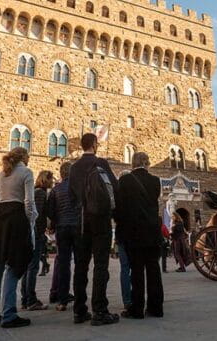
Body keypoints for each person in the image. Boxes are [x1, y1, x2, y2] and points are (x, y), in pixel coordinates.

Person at [69, 133, 120, 326]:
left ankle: (79, 310)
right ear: (94, 144)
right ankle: (99, 310)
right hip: (100, 219)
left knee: (81, 266)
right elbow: (114, 188)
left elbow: (71, 196)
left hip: (81, 221)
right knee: (100, 264)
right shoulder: (101, 163)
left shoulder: (74, 167)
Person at [0, 147, 34, 329]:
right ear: (24, 157)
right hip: (17, 219)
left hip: (0, 220)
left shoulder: (1, 174)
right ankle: (9, 313)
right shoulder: (26, 172)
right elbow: (29, 201)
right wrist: (30, 220)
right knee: (13, 265)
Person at [116, 151, 164, 319]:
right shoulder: (155, 181)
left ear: (133, 163)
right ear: (146, 163)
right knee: (153, 270)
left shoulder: (124, 181)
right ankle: (156, 308)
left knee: (136, 271)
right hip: (153, 232)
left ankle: (137, 309)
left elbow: (119, 208)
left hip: (134, 233)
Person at [46, 160, 79, 311]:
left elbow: (50, 212)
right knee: (80, 263)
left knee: (64, 264)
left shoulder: (55, 190)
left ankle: (62, 300)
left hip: (62, 228)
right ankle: (79, 298)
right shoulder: (78, 187)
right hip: (77, 227)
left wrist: (54, 225)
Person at [21, 170, 53, 311]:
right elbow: (37, 215)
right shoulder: (40, 193)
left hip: (33, 233)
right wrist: (41, 231)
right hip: (36, 233)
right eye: (51, 179)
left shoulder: (35, 192)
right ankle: (31, 300)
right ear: (46, 179)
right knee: (33, 267)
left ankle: (25, 299)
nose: (52, 182)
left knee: (28, 267)